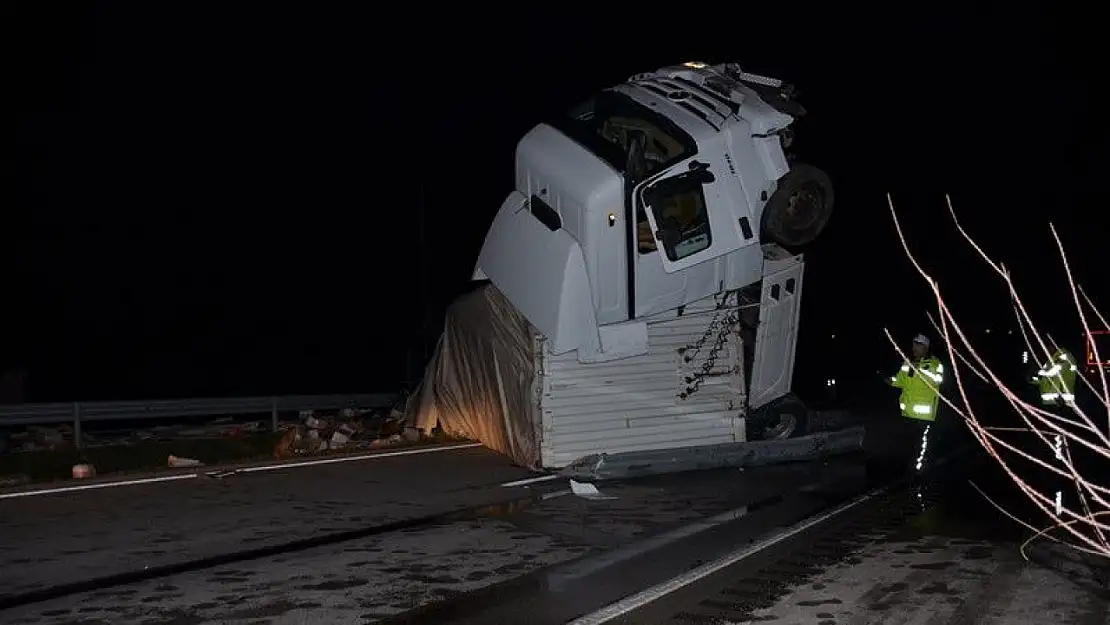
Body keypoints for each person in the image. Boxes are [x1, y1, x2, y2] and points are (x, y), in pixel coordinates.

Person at [886, 334, 945, 473]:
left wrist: (920, 369)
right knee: (908, 445)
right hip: (907, 413)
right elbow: (900, 381)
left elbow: (938, 380)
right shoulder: (907, 363)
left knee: (920, 446)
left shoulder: (935, 363)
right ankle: (908, 470)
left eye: (918, 345)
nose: (914, 348)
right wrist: (890, 380)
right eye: (913, 345)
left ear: (925, 348)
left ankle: (918, 472)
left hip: (924, 416)